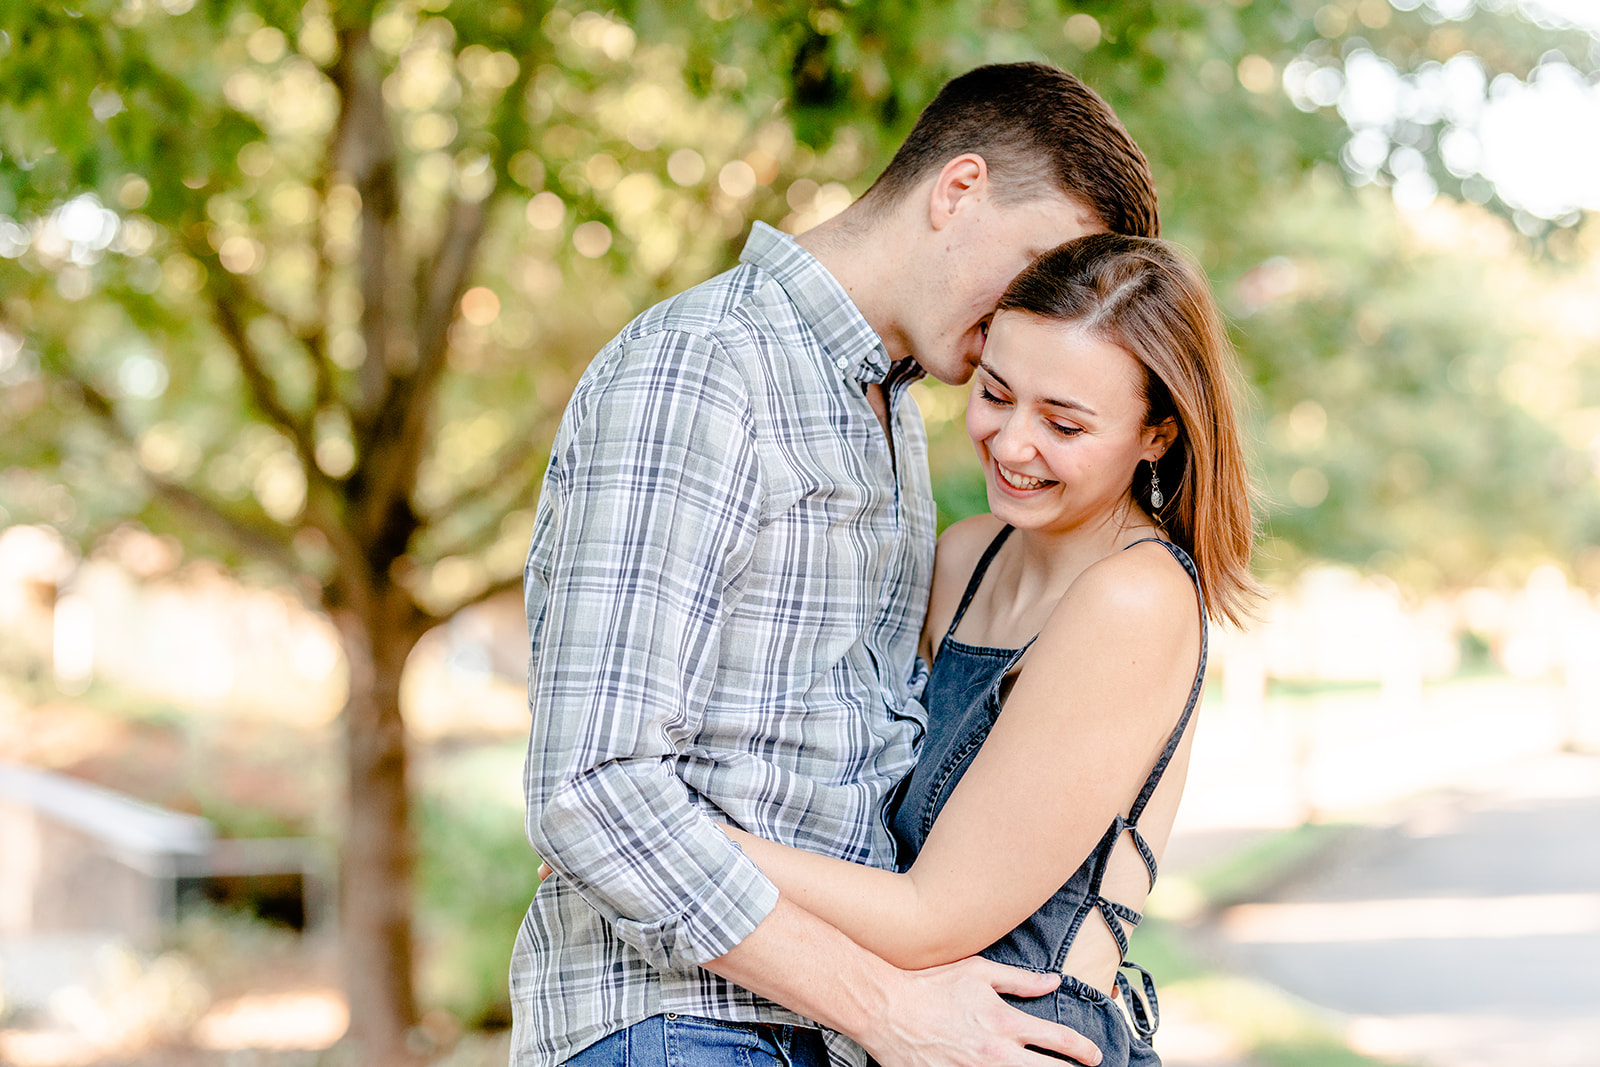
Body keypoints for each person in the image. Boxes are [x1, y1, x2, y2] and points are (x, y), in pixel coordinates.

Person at [512, 62, 1160, 1067]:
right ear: (958, 190)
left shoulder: (887, 411)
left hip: (813, 1030)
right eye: (1038, 265)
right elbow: (589, 788)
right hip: (679, 1024)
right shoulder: (708, 366)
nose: (1032, 316)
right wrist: (883, 1006)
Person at [719, 233, 1260, 1066]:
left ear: (1156, 433)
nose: (1012, 443)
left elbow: (931, 916)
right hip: (915, 1035)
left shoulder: (1135, 597)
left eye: (1064, 422)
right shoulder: (965, 556)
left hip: (1028, 1042)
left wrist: (671, 841)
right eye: (997, 394)